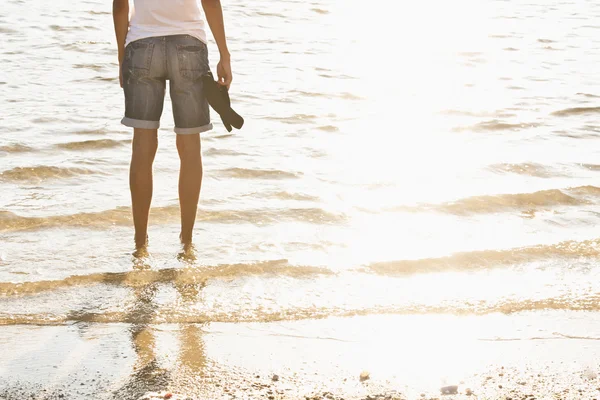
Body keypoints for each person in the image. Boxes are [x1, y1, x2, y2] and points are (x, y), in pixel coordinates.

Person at [112, 0, 232, 250]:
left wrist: (122, 57)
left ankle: (140, 243)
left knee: (142, 148)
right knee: (190, 148)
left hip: (142, 46)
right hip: (189, 44)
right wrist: (224, 54)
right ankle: (187, 242)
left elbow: (120, 5)